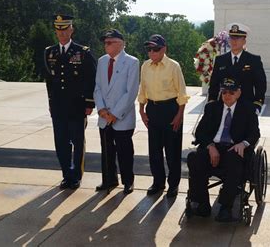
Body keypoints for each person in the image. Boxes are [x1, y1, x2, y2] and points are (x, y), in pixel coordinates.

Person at [189, 77, 260, 222]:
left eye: (231, 92)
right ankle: (202, 204)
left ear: (239, 93)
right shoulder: (212, 108)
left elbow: (254, 134)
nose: (227, 95)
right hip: (214, 147)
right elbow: (200, 132)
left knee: (235, 162)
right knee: (194, 158)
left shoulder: (248, 109)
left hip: (234, 148)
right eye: (224, 92)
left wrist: (243, 144)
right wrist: (210, 146)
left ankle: (225, 207)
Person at [43, 14, 96, 189]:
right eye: (58, 29)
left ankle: (76, 175)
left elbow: (91, 78)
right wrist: (51, 102)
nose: (62, 33)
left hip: (76, 105)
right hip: (58, 106)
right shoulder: (49, 52)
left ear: (71, 29)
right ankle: (66, 174)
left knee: (77, 141)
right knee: (61, 142)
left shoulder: (82, 52)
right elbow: (49, 81)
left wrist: (89, 103)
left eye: (65, 29)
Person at [138, 34, 189, 198]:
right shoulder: (145, 66)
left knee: (172, 152)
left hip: (171, 109)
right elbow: (143, 89)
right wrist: (141, 110)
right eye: (149, 49)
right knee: (154, 151)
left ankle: (173, 185)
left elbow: (182, 92)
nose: (152, 53)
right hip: (153, 109)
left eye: (155, 49)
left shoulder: (173, 66)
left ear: (164, 49)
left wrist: (179, 115)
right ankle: (158, 182)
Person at [94, 29, 140, 195]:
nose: (106, 45)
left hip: (122, 117)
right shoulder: (102, 61)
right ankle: (109, 179)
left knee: (124, 152)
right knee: (106, 150)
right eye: (105, 42)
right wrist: (101, 109)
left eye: (109, 42)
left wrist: (115, 114)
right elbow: (98, 87)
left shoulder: (132, 62)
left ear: (121, 43)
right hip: (104, 116)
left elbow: (131, 91)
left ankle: (128, 182)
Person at [208, 23, 267, 114]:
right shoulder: (220, 60)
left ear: (244, 41)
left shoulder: (253, 60)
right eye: (232, 38)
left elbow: (261, 84)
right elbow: (214, 84)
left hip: (245, 106)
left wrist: (257, 104)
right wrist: (211, 102)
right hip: (224, 105)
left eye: (238, 38)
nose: (234, 41)